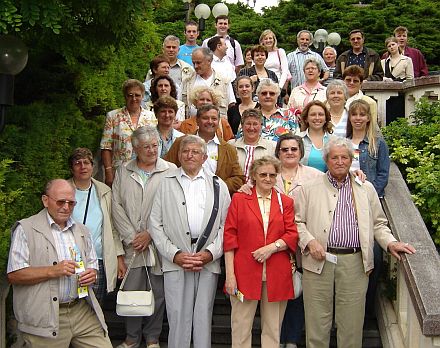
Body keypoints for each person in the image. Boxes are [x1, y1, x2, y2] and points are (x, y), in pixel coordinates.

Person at [295, 136, 416, 348]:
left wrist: (390, 243)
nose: (340, 161)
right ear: (326, 160)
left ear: (351, 160)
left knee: (351, 326)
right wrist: (309, 241)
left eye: (344, 157)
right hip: (317, 262)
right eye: (335, 157)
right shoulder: (309, 188)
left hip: (354, 262)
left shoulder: (366, 188)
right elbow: (296, 222)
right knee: (316, 325)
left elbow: (379, 224)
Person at [7, 179, 112, 347]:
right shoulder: (26, 229)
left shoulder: (82, 230)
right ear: (45, 200)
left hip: (81, 311)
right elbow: (14, 275)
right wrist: (53, 271)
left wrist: (92, 274)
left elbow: (92, 265)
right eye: (61, 202)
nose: (66, 207)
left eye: (71, 203)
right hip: (44, 317)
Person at [149, 135, 231, 348]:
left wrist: (210, 254)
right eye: (185, 151)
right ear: (178, 155)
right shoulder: (165, 182)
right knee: (177, 315)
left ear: (204, 157)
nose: (189, 155)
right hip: (175, 259)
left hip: (207, 260)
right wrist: (175, 254)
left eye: (195, 152)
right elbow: (155, 224)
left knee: (203, 315)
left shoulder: (218, 185)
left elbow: (227, 227)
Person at [112, 126, 177, 348]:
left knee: (157, 293)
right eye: (146, 147)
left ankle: (152, 337)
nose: (152, 150)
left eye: (155, 145)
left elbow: (173, 207)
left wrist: (150, 234)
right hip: (132, 246)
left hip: (158, 244)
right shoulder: (123, 170)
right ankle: (131, 337)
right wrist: (133, 237)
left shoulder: (170, 170)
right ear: (135, 148)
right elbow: (116, 206)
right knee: (132, 291)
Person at [224, 156, 298, 348]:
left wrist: (272, 248)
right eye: (263, 174)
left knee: (273, 329)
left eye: (272, 175)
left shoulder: (285, 202)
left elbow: (292, 234)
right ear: (254, 176)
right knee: (240, 327)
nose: (268, 178)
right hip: (244, 272)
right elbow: (229, 239)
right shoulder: (239, 199)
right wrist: (230, 276)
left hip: (277, 272)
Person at [274, 134, 322, 348]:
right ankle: (275, 337)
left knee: (298, 289)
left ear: (301, 152)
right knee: (276, 292)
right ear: (278, 153)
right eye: (285, 149)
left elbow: (339, 178)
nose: (290, 153)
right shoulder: (269, 174)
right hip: (274, 242)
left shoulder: (314, 175)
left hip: (302, 240)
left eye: (294, 149)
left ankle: (292, 339)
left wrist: (356, 172)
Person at [68, 148, 123, 305]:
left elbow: (112, 227)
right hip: (70, 258)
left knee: (95, 305)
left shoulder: (104, 191)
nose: (83, 167)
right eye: (77, 163)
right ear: (71, 168)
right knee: (71, 303)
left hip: (97, 259)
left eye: (86, 163)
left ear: (93, 166)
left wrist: (118, 257)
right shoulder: (63, 190)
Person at [165, 104, 244, 195]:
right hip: (183, 196)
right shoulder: (181, 142)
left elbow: (238, 179)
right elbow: (168, 168)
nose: (210, 122)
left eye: (214, 119)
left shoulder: (229, 149)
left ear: (218, 121)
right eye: (205, 118)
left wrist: (216, 186)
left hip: (215, 201)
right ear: (197, 121)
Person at [100, 79, 157, 187]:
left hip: (145, 170)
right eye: (130, 95)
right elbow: (106, 146)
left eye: (137, 95)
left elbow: (155, 144)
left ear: (142, 96)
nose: (134, 98)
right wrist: (108, 172)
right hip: (120, 170)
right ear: (125, 96)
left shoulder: (150, 117)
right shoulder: (113, 116)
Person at [346, 99, 390, 197]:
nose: (358, 118)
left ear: (368, 118)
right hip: (347, 195)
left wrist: (370, 193)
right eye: (354, 114)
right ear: (349, 117)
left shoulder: (378, 143)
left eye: (362, 115)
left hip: (369, 196)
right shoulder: (344, 144)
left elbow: (383, 174)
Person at [182, 47, 236, 118]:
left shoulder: (224, 81)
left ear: (209, 61)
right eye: (193, 63)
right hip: (191, 126)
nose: (195, 66)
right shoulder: (187, 81)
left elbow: (231, 105)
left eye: (198, 63)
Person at [228, 108, 275, 182]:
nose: (251, 128)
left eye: (255, 124)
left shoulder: (271, 147)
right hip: (235, 190)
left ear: (261, 126)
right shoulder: (231, 145)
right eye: (248, 124)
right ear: (242, 126)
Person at [299, 100, 333, 172]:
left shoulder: (334, 141)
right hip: (304, 182)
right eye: (313, 114)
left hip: (328, 182)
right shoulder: (298, 140)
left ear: (326, 118)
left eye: (320, 114)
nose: (317, 118)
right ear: (306, 119)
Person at [161, 35, 194, 99]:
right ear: (163, 49)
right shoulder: (155, 69)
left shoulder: (188, 69)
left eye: (174, 47)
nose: (171, 50)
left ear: (178, 50)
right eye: (168, 47)